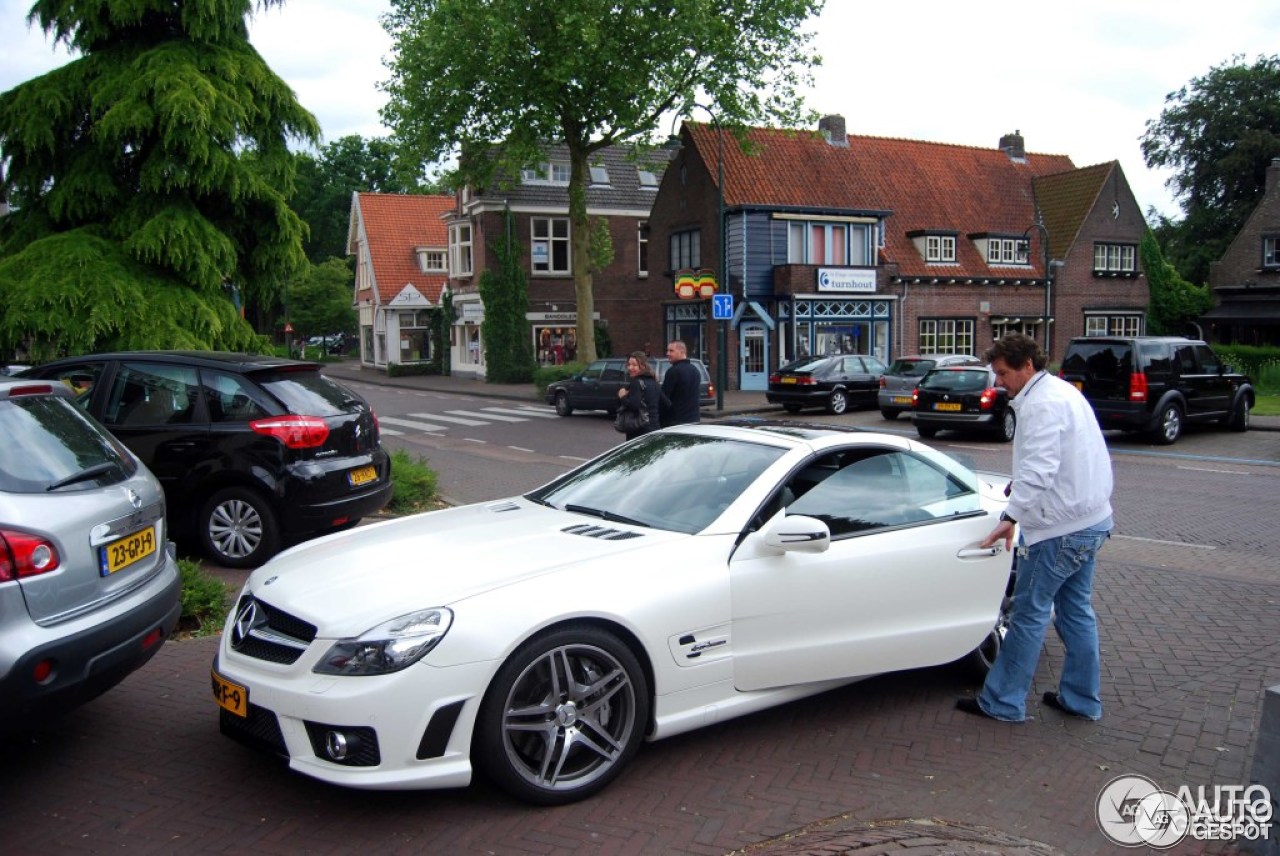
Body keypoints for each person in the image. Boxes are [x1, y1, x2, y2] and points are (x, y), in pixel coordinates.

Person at [955, 333, 1114, 723]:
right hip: (1092, 520)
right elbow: (1056, 461)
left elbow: (1041, 469)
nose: (999, 382)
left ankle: (1003, 702)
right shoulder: (1062, 393)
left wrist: (1010, 517)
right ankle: (1081, 699)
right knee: (1076, 610)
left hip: (1058, 529)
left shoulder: (1041, 405)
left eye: (1004, 373)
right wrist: (1020, 488)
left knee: (1028, 613)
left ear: (1028, 365)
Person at [616, 352, 661, 441]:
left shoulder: (636, 382)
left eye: (634, 365)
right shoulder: (654, 381)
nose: (630, 368)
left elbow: (633, 406)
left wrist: (622, 396)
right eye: (629, 364)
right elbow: (666, 403)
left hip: (639, 429)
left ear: (643, 366)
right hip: (655, 427)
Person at [659, 340, 701, 427]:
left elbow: (664, 398)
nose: (667, 353)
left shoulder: (673, 371)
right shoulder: (695, 370)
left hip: (675, 422)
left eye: (671, 351)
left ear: (682, 352)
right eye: (667, 350)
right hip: (694, 420)